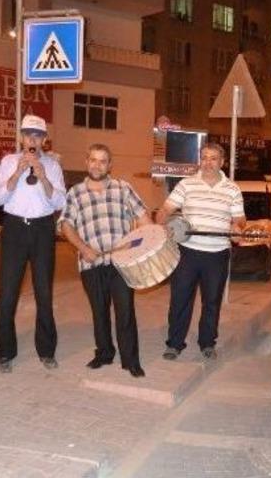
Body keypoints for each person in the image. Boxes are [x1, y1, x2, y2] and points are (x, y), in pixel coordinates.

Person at [58, 144, 152, 378]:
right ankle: (104, 353)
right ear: (86, 162)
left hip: (120, 262)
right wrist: (83, 248)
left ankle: (131, 360)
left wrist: (149, 240)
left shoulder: (123, 188)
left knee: (125, 311)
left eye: (102, 161)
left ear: (110, 165)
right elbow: (65, 225)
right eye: (93, 160)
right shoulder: (75, 193)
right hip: (90, 264)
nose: (97, 165)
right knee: (99, 312)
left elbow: (143, 217)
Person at [155, 142, 246, 360]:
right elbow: (166, 209)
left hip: (217, 254)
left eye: (213, 158)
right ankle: (175, 344)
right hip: (187, 252)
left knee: (212, 301)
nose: (207, 162)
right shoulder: (187, 184)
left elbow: (240, 219)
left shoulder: (232, 189)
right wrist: (160, 224)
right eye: (204, 157)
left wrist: (237, 227)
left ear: (222, 162)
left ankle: (207, 343)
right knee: (180, 299)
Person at [0, 115, 66, 372]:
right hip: (14, 229)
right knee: (8, 293)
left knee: (44, 293)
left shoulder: (53, 166)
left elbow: (59, 203)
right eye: (28, 135)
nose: (32, 140)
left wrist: (43, 175)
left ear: (44, 140)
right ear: (21, 138)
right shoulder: (8, 161)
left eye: (37, 136)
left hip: (43, 229)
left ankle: (46, 350)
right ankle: (5, 352)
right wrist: (18, 172)